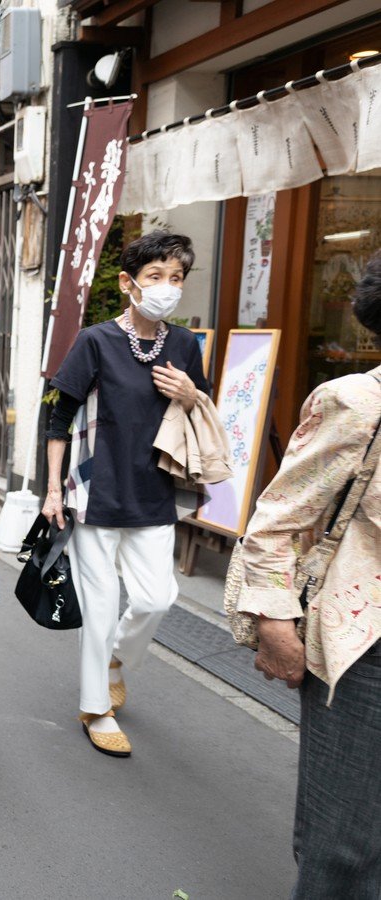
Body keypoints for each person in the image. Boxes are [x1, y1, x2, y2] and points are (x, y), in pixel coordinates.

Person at [238, 251, 381, 899]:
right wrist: (275, 621)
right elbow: (276, 520)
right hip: (362, 649)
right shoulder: (357, 405)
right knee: (343, 843)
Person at [42, 231, 211, 757]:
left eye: (176, 278)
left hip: (155, 491)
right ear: (128, 281)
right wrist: (52, 488)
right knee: (100, 604)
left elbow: (202, 407)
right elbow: (59, 415)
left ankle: (116, 658)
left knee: (158, 597)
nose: (166, 287)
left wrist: (192, 392)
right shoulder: (96, 341)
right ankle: (96, 708)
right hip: (94, 493)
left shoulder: (184, 345)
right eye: (155, 276)